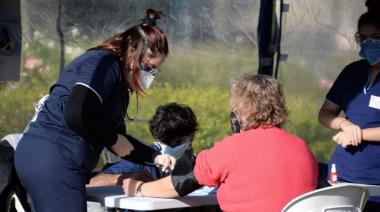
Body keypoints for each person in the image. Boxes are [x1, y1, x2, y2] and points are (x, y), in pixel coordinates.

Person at [14, 9, 175, 212]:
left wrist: (154, 157)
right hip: (53, 156)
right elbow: (76, 114)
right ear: (133, 52)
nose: (151, 74)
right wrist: (113, 139)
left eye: (155, 70)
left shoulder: (118, 85)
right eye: (148, 68)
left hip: (53, 159)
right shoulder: (103, 63)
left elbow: (118, 140)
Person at [123, 75, 318, 212]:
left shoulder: (233, 147)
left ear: (244, 110)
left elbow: (178, 184)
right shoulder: (302, 148)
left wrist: (138, 188)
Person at [318, 11, 380, 211]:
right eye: (363, 38)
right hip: (342, 175)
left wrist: (358, 134)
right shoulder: (352, 71)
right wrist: (343, 123)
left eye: (376, 38)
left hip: (376, 182)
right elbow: (325, 113)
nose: (369, 43)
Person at [88, 102, 198, 187]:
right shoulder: (145, 159)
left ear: (191, 136)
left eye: (178, 142)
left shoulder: (197, 164)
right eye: (165, 142)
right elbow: (91, 183)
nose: (171, 148)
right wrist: (126, 178)